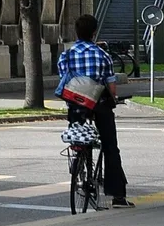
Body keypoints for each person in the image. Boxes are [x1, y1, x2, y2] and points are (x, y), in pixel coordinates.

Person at [57, 13, 131, 208]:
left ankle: (79, 159)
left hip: (76, 104)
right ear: (94, 32)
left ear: (77, 32)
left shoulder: (67, 55)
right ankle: (117, 196)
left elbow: (64, 79)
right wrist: (113, 98)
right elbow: (111, 85)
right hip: (99, 104)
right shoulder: (102, 55)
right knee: (110, 147)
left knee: (78, 135)